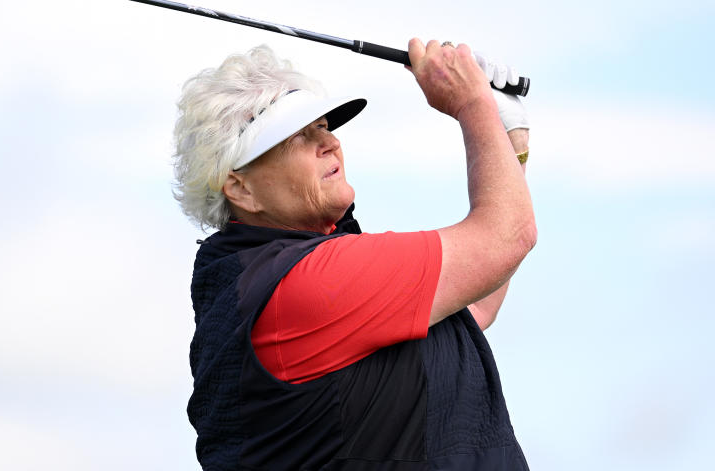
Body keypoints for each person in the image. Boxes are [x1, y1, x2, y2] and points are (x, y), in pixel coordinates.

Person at [173, 40, 536, 470]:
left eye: (324, 126)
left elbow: (475, 300)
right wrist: (472, 103)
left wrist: (507, 136)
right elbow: (504, 239)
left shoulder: (290, 278)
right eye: (296, 138)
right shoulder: (303, 283)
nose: (328, 143)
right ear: (241, 189)